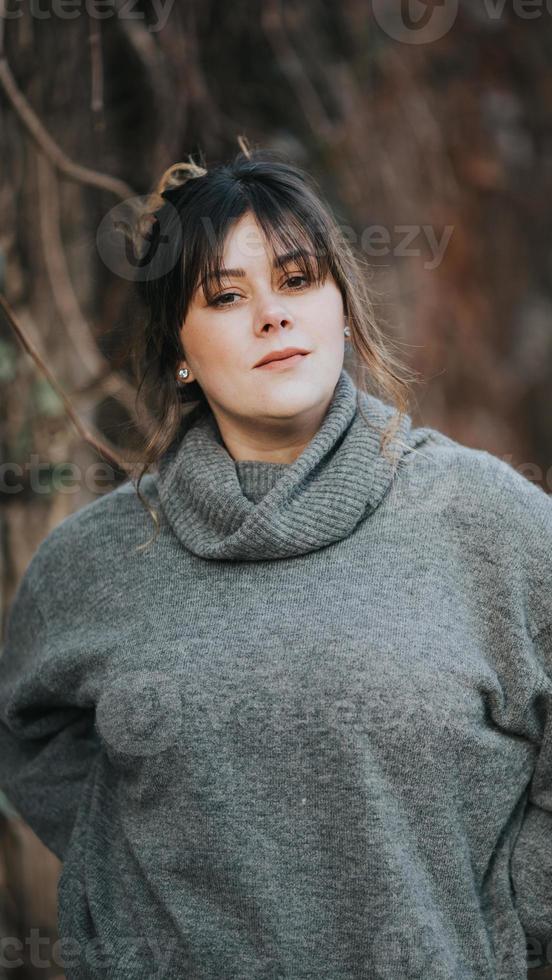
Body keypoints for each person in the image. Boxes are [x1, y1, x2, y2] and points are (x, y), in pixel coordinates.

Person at [0, 142, 551, 980]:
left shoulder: (486, 519)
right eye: (226, 296)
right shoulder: (98, 559)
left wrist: (513, 910)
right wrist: (120, 886)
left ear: (342, 307)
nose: (272, 315)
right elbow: (26, 727)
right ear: (179, 348)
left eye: (299, 281)